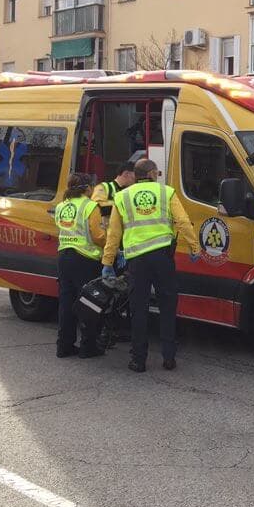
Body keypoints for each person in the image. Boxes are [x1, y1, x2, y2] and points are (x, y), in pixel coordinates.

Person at [102, 159, 200, 373]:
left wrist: (107, 261)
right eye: (157, 172)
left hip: (137, 260)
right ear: (153, 173)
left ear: (136, 175)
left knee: (139, 310)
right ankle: (169, 358)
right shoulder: (166, 192)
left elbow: (114, 233)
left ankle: (138, 360)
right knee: (167, 306)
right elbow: (183, 221)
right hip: (163, 257)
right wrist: (194, 246)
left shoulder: (122, 197)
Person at [55, 172, 107, 359]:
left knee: (66, 303)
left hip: (64, 257)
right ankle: (88, 347)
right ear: (87, 188)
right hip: (85, 258)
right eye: (91, 186)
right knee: (89, 304)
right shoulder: (90, 206)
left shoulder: (61, 206)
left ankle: (64, 346)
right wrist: (111, 244)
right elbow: (97, 235)